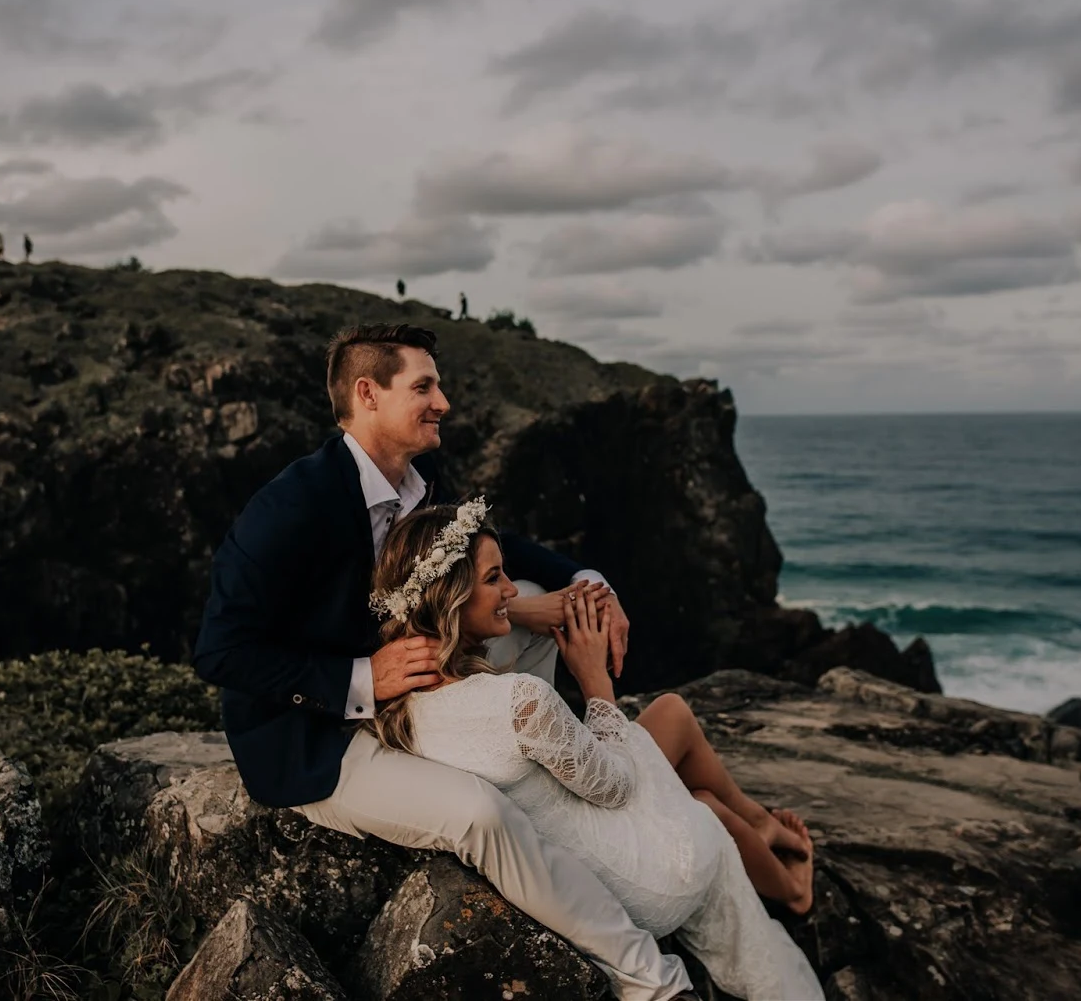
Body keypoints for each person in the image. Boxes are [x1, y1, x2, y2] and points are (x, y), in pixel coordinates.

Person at [193, 323, 696, 1000]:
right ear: (368, 394)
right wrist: (361, 681)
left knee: (550, 610)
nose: (445, 403)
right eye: (425, 387)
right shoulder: (288, 508)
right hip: (319, 733)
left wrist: (588, 581)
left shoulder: (421, 478)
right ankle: (654, 982)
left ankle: (553, 790)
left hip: (422, 690)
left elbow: (494, 547)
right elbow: (221, 650)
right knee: (478, 814)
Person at [370, 503, 825, 1000]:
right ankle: (791, 885)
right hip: (642, 888)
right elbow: (616, 786)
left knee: (682, 750)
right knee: (701, 805)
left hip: (578, 862)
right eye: (495, 577)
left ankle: (756, 827)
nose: (512, 592)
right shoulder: (519, 700)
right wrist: (594, 680)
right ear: (450, 597)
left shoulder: (392, 707)